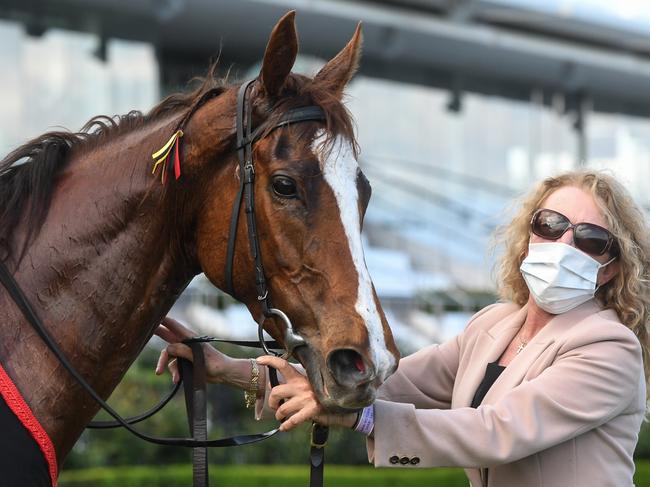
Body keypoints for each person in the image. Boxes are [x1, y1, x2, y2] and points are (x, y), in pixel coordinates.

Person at [156, 170, 650, 486]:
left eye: (589, 239)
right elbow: (382, 384)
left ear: (610, 268)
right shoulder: (493, 325)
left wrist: (360, 420)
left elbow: (496, 432)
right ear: (529, 236)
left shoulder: (609, 348)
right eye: (551, 224)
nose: (564, 244)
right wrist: (226, 369)